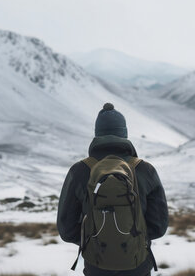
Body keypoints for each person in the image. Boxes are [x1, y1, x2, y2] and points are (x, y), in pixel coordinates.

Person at [57, 103, 168, 276]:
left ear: (97, 134)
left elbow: (66, 229)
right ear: (124, 134)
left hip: (96, 266)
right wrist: (134, 239)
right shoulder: (145, 170)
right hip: (138, 265)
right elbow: (159, 226)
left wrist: (94, 239)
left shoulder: (79, 171)